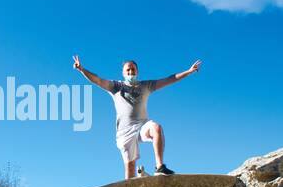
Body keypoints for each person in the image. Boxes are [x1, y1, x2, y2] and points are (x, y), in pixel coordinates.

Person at [73, 55, 202, 180]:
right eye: (127, 70)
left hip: (142, 126)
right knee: (130, 170)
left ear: (137, 71)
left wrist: (188, 71)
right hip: (125, 132)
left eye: (133, 69)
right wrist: (82, 69)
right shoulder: (115, 86)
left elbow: (169, 79)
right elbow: (98, 80)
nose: (130, 72)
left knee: (156, 128)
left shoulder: (146, 86)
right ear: (123, 73)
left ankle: (159, 167)